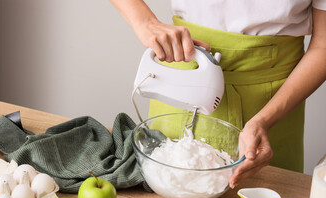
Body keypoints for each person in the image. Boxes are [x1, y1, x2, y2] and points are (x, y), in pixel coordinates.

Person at [110, 0, 326, 188]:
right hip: (185, 81)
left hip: (274, 104)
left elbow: (323, 46)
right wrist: (145, 22)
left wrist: (263, 121)